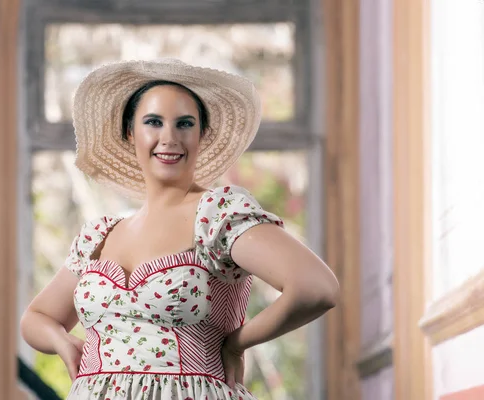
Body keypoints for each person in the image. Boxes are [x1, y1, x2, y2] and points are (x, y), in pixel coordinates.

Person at [20, 59, 339, 400]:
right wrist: (63, 342)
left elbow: (315, 287)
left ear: (202, 135)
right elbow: (36, 318)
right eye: (153, 122)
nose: (169, 138)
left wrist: (237, 342)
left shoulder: (217, 217)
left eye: (184, 124)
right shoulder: (99, 235)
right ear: (131, 133)